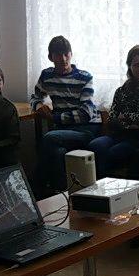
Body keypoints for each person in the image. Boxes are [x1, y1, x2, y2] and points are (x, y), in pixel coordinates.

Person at [31, 35, 99, 196]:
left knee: (48, 138)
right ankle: (61, 195)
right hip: (63, 131)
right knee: (57, 152)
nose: (63, 59)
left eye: (66, 54)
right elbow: (35, 97)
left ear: (71, 54)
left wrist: (54, 118)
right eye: (58, 55)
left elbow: (85, 114)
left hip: (86, 129)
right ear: (50, 57)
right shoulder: (47, 75)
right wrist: (39, 105)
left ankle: (36, 191)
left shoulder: (84, 77)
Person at [88, 45, 139, 177]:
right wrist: (133, 123)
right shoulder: (121, 90)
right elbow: (112, 120)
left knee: (113, 153)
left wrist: (125, 117)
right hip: (117, 135)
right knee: (95, 145)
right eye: (136, 65)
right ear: (130, 67)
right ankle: (100, 185)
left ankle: (107, 183)